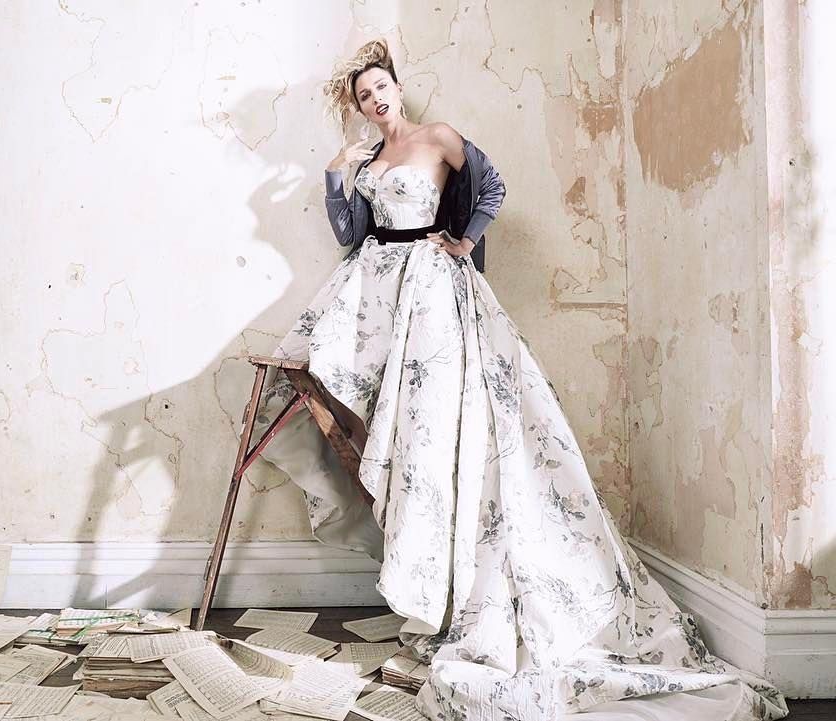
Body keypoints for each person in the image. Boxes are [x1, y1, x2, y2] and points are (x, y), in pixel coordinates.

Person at [253, 39, 788, 721]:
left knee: (444, 429)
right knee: (393, 426)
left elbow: (493, 186)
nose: (376, 99)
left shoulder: (437, 137)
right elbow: (349, 233)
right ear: (359, 107)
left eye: (382, 86)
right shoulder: (366, 161)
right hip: (382, 295)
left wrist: (466, 240)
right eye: (364, 95)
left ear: (397, 86)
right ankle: (435, 580)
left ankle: (464, 590)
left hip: (435, 292)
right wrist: (336, 173)